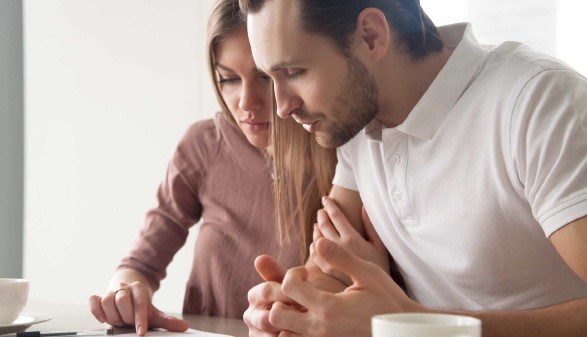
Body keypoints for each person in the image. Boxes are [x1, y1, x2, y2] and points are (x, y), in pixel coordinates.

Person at [239, 0, 587, 336]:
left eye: (295, 72)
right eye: (271, 78)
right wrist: (294, 310)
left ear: (371, 35)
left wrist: (414, 325)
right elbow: (333, 271)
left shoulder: (537, 103)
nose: (281, 107)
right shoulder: (356, 121)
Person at [87, 0, 336, 335]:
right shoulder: (204, 144)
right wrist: (126, 292)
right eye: (228, 79)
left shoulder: (340, 151)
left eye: (263, 76)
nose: (246, 103)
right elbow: (139, 265)